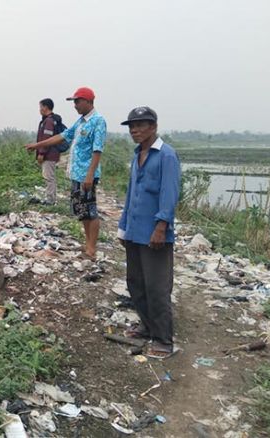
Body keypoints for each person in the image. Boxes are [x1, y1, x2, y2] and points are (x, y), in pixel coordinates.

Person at [117, 106, 181, 359]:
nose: (135, 130)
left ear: (153, 127)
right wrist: (123, 228)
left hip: (155, 232)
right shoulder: (138, 155)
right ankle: (147, 326)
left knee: (157, 287)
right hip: (135, 231)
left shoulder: (166, 156)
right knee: (135, 282)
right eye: (132, 126)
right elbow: (131, 194)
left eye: (141, 125)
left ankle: (163, 339)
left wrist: (161, 226)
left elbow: (169, 193)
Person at [26, 87, 106, 259]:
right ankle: (87, 244)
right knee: (82, 211)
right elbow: (62, 136)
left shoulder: (98, 121)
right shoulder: (81, 122)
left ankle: (92, 248)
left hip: (86, 174)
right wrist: (37, 145)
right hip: (76, 174)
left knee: (90, 210)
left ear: (88, 101)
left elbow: (97, 150)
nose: (75, 105)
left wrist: (90, 174)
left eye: (77, 101)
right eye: (74, 102)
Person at [34, 98, 65, 204]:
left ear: (45, 107)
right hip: (51, 153)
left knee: (49, 177)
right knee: (49, 175)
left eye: (40, 107)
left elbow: (47, 139)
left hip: (49, 154)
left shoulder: (49, 121)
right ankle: (50, 198)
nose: (39, 109)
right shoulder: (49, 120)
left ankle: (50, 200)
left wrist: (41, 153)